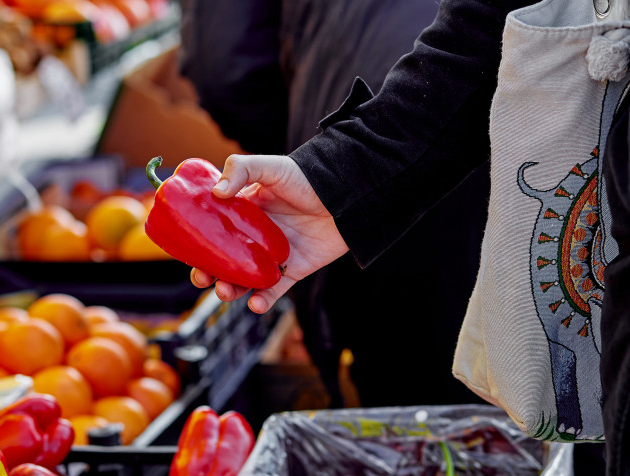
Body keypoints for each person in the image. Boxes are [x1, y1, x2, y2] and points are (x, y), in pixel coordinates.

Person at [185, 0, 630, 476]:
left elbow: (226, 64)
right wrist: (338, 178)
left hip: (456, 198)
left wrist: (317, 148)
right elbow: (485, 30)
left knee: (443, 459)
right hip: (518, 194)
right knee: (561, 462)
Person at [179, 0, 487, 409]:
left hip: (363, 114)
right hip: (508, 131)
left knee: (410, 412)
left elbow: (224, 67)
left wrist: (308, 159)